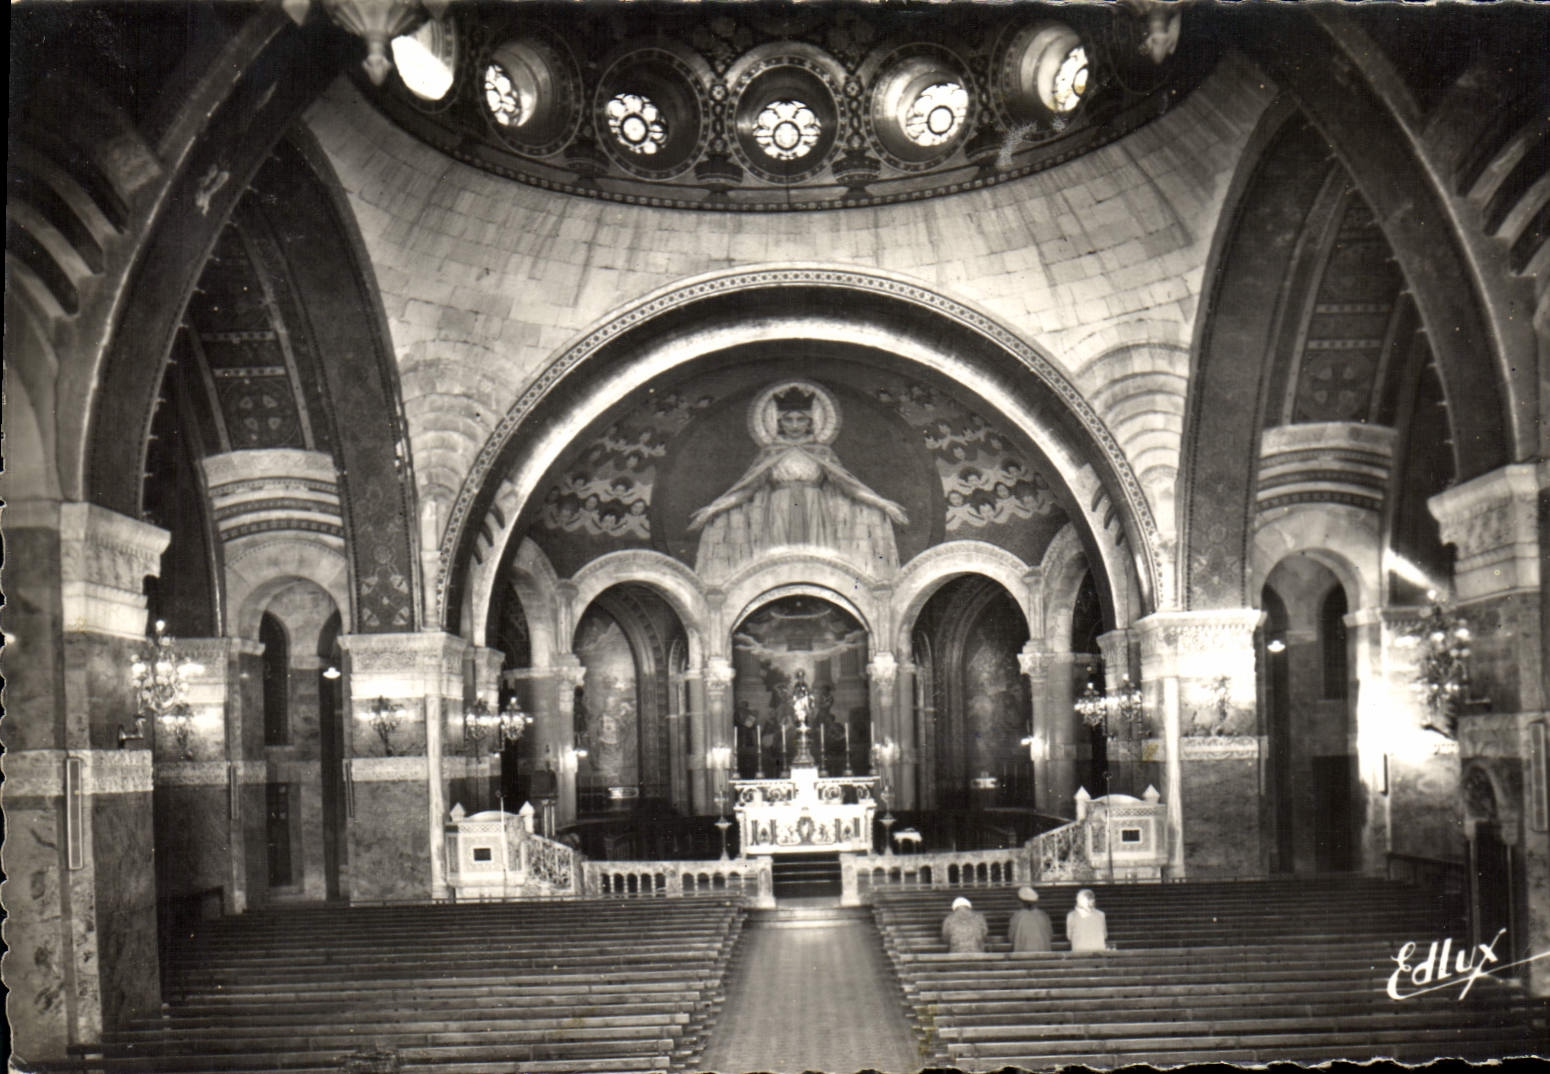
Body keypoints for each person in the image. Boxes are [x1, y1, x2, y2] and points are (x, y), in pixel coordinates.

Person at [687, 381, 908, 578]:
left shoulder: (821, 452)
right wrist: (714, 509)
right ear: (779, 422)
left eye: (800, 419)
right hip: (779, 511)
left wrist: (883, 504)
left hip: (815, 511)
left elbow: (849, 486)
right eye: (788, 420)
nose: (794, 425)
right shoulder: (770, 453)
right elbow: (745, 490)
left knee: (818, 564)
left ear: (810, 421)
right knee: (778, 565)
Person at [1008, 886, 1054, 953]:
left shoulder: (1017, 916)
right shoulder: (1044, 916)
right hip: (1043, 953)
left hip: (1023, 954)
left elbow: (1011, 937)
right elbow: (1050, 935)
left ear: (1021, 902)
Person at [1066, 888, 1109, 953]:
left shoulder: (1071, 916)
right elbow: (1105, 935)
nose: (1076, 900)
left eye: (1078, 899)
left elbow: (1069, 936)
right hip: (1098, 953)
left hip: (1079, 952)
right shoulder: (1101, 915)